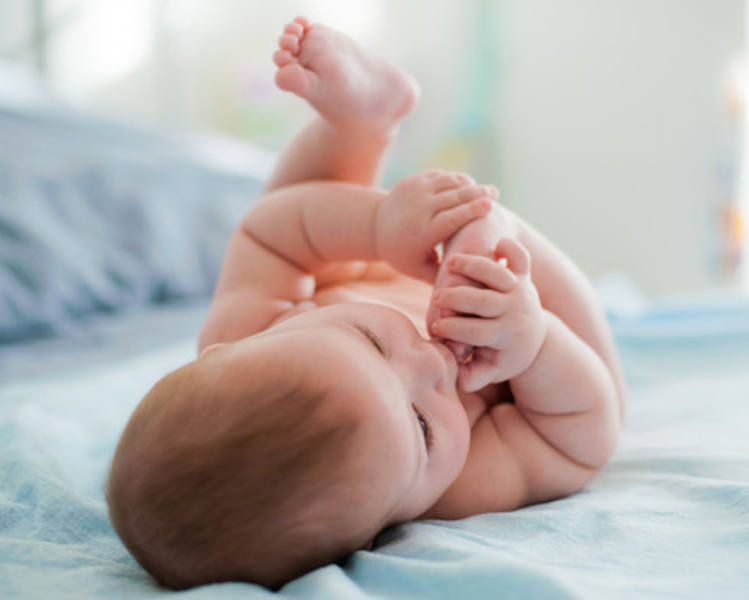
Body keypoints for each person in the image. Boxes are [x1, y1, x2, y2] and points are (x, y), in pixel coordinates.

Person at [106, 17, 625, 591]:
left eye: (371, 341)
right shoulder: (458, 484)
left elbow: (268, 234)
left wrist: (377, 228)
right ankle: (493, 235)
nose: (431, 365)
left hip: (381, 260)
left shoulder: (246, 329)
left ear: (243, 345)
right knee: (585, 370)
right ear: (380, 530)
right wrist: (535, 340)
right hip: (537, 349)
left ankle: (361, 125)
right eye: (422, 426)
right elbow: (578, 441)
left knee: (292, 221)